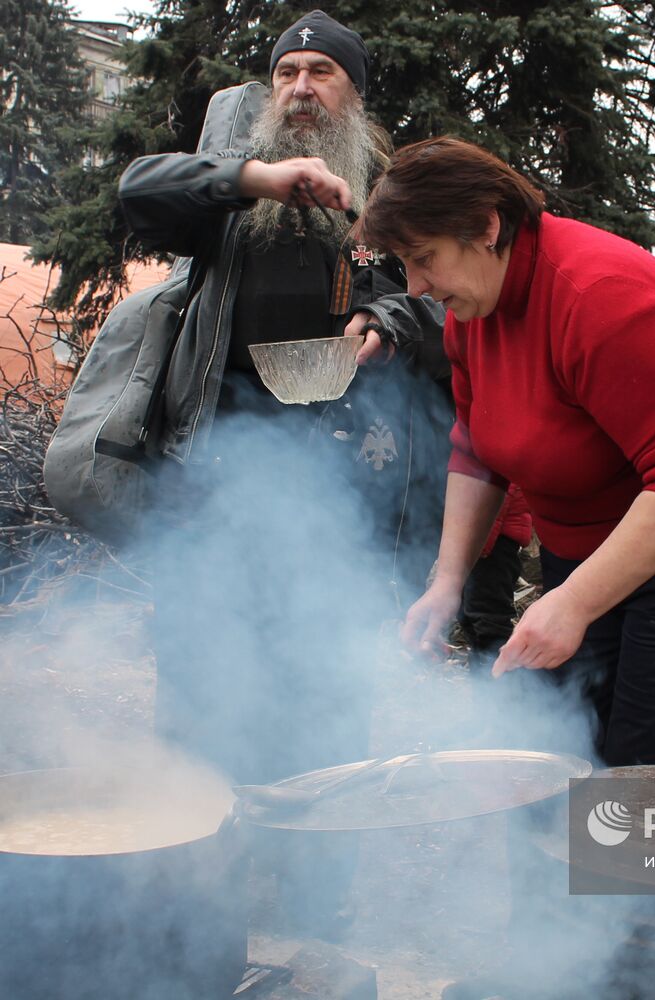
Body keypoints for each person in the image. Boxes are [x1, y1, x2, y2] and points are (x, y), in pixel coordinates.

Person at [117, 11, 449, 935]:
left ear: (353, 93)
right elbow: (138, 192)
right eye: (288, 72)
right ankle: (191, 886)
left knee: (324, 692)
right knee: (201, 684)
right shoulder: (227, 195)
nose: (302, 87)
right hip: (212, 491)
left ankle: (311, 902)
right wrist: (255, 177)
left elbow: (439, 303)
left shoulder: (383, 197)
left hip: (341, 496)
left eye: (322, 74)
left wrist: (389, 325)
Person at [356, 136, 655, 773]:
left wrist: (575, 604)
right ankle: (566, 874)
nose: (414, 286)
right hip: (577, 544)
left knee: (653, 773)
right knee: (559, 753)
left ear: (487, 227)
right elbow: (477, 446)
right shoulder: (475, 307)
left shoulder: (597, 297)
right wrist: (447, 583)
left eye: (422, 259)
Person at [456, 483, 533, 651]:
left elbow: (502, 491)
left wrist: (481, 544)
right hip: (473, 538)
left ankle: (496, 670)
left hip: (496, 541)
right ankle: (482, 669)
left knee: (487, 615)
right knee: (465, 612)